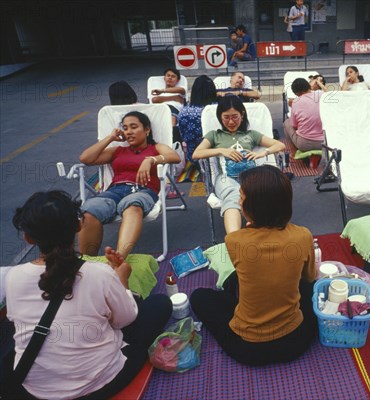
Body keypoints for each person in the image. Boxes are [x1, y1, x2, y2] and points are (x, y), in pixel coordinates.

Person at [3, 190, 172, 399]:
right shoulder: (99, 273)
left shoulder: (12, 277)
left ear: (28, 238)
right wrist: (122, 279)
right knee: (160, 304)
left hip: (35, 389)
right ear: (79, 226)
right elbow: (126, 320)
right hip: (99, 385)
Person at [189, 165, 317, 366]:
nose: (239, 203)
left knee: (200, 296)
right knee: (309, 288)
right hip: (295, 341)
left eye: (241, 198)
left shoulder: (235, 241)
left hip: (249, 348)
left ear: (253, 207)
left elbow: (252, 266)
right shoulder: (303, 235)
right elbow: (309, 278)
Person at [78, 111, 181, 258]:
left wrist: (150, 160)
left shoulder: (156, 148)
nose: (129, 132)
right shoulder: (118, 151)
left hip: (143, 190)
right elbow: (85, 158)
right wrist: (110, 138)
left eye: (133, 127)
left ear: (147, 130)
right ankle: (85, 262)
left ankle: (119, 258)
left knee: (133, 205)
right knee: (89, 212)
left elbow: (174, 157)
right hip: (114, 191)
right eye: (125, 128)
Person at [192, 96, 285, 233]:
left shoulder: (251, 135)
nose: (230, 121)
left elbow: (280, 145)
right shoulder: (214, 136)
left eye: (235, 117)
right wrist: (221, 150)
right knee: (234, 194)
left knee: (259, 192)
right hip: (226, 178)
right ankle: (234, 240)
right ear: (220, 117)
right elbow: (196, 154)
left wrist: (263, 153)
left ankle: (262, 236)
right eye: (226, 117)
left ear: (242, 115)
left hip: (250, 176)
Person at [178, 75, 218, 162]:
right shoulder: (219, 109)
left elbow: (183, 136)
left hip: (193, 158)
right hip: (217, 156)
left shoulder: (183, 112)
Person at [284, 78, 324, 151]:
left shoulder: (295, 102)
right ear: (308, 86)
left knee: (287, 123)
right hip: (324, 143)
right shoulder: (321, 94)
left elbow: (294, 125)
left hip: (305, 144)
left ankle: (292, 152)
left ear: (296, 93)